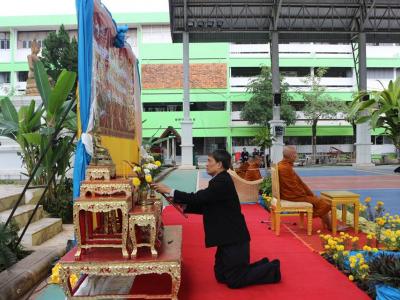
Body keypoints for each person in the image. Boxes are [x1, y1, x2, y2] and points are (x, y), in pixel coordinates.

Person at [152, 150, 281, 289]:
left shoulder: (222, 181)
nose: (206, 164)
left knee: (234, 281)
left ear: (219, 164)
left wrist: (170, 190)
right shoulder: (219, 180)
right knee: (220, 275)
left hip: (234, 238)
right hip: (227, 238)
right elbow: (208, 205)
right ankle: (263, 264)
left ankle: (272, 269)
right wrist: (183, 205)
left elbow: (198, 198)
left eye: (209, 161)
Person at [278, 146, 346, 230]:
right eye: (295, 153)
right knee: (324, 204)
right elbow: (293, 187)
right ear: (291, 155)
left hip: (291, 194)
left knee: (319, 201)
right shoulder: (285, 168)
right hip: (292, 196)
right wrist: (306, 195)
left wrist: (309, 194)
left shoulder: (283, 165)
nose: (296, 155)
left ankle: (330, 225)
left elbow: (297, 184)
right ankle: (331, 226)